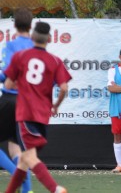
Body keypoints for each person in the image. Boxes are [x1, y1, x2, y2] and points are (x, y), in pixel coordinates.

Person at [4, 22, 72, 193]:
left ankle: (54, 188)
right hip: (43, 116)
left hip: (25, 113)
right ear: (49, 39)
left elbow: (8, 83)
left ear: (33, 36)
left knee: (28, 157)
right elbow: (64, 88)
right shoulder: (55, 61)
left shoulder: (20, 56)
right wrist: (55, 105)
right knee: (23, 162)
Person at [0, 7, 34, 193]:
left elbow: (8, 74)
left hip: (10, 99)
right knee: (16, 148)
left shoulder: (12, 45)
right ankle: (27, 190)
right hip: (27, 102)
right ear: (31, 25)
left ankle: (16, 175)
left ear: (14, 25)